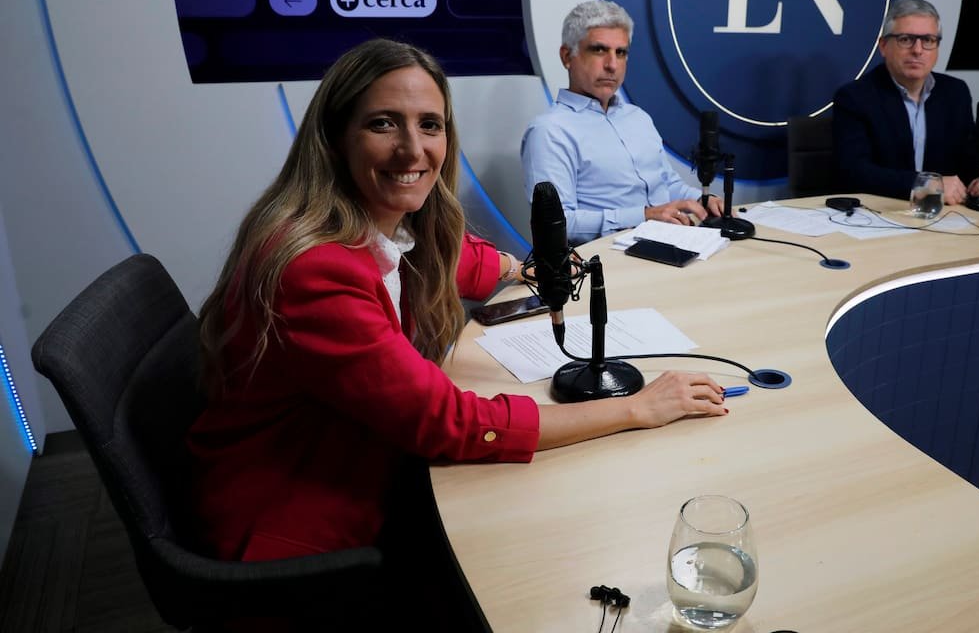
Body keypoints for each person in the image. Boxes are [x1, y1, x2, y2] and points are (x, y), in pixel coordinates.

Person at [186, 40, 725, 616]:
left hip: (356, 460)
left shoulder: (381, 219)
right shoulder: (315, 269)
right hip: (294, 527)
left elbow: (457, 257)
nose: (412, 149)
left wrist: (525, 267)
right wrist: (636, 408)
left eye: (430, 125)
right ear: (335, 137)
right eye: (383, 123)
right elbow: (449, 425)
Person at [521, 0, 723, 245]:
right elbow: (557, 223)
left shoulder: (638, 118)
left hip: (670, 244)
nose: (612, 65)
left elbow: (667, 184)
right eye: (599, 50)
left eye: (621, 53)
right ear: (567, 57)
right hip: (610, 259)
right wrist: (643, 216)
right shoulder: (550, 131)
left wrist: (703, 201)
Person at [832, 0, 979, 204]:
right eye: (906, 39)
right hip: (880, 212)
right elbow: (854, 172)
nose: (917, 50)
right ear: (883, 46)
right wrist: (924, 185)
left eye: (928, 40)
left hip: (946, 214)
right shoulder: (855, 97)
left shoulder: (955, 93)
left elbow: (968, 162)